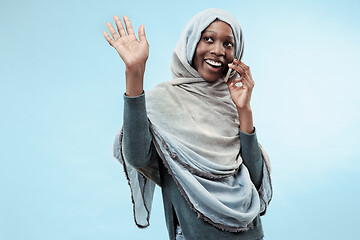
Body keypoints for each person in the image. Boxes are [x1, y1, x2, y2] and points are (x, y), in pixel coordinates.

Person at [103, 8, 272, 240]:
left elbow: (254, 180)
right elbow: (138, 157)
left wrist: (244, 110)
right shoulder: (162, 100)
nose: (218, 50)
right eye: (208, 39)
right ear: (191, 42)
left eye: (228, 44)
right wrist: (134, 73)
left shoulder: (231, 102)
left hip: (250, 234)